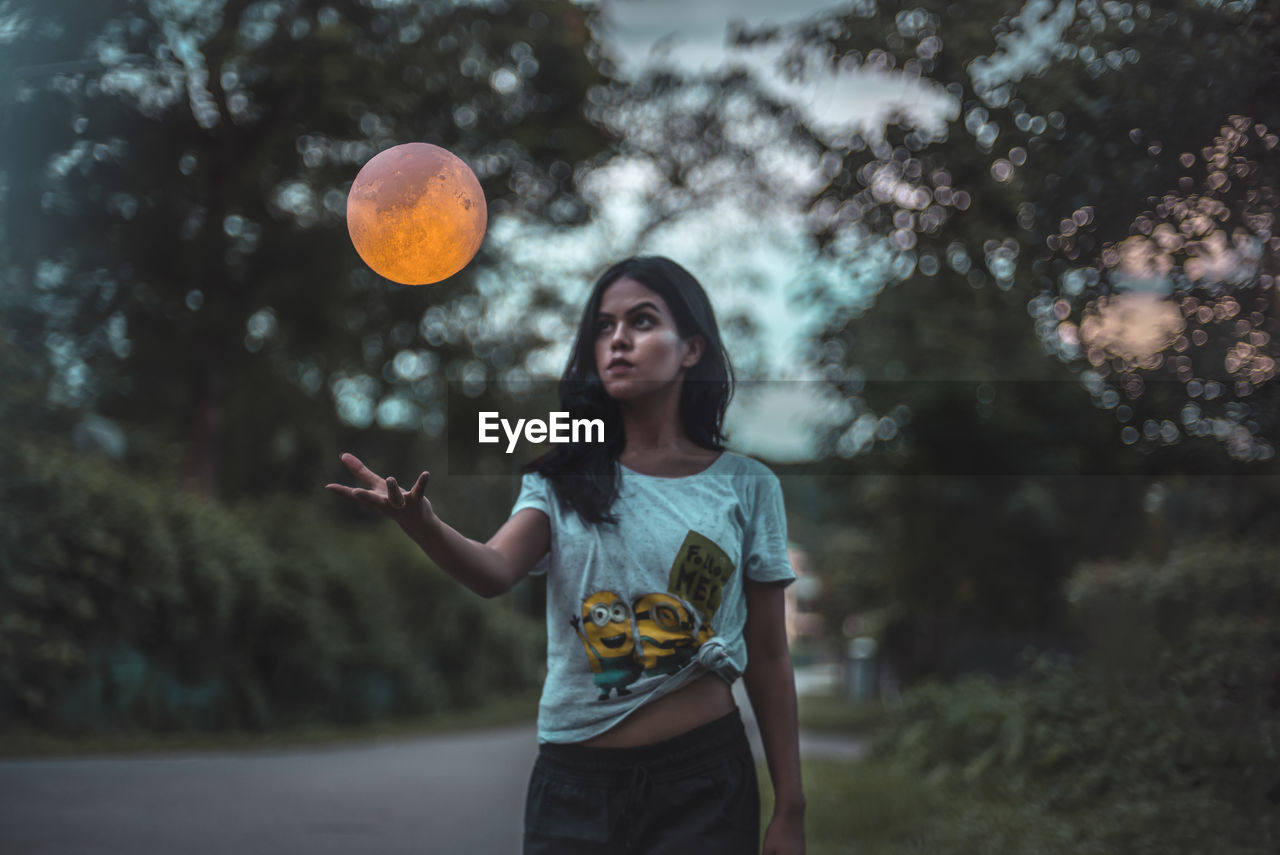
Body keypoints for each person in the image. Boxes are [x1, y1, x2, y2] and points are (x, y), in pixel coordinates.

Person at [326, 256, 806, 854]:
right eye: (603, 327)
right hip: (574, 788)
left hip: (703, 785)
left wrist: (791, 806)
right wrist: (423, 524)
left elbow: (767, 655)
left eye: (643, 320)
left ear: (691, 350)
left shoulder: (748, 484)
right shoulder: (561, 475)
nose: (619, 340)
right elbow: (495, 570)